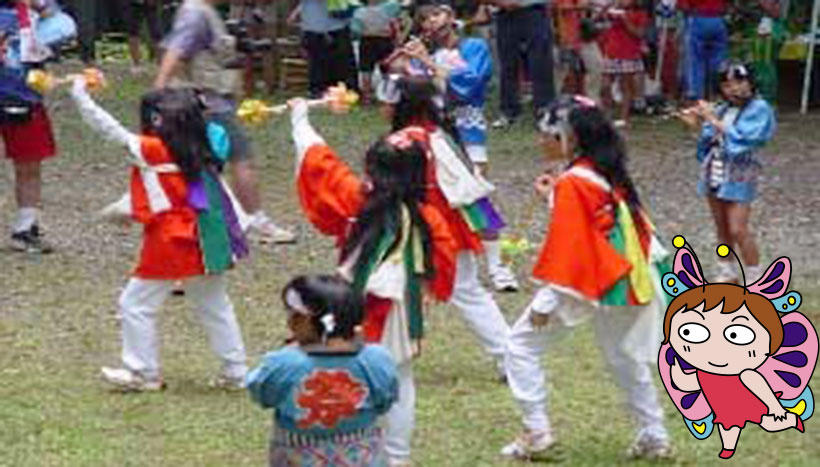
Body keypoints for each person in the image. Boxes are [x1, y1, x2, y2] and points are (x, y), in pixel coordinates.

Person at [288, 96, 458, 466]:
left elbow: (321, 164)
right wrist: (431, 287)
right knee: (399, 379)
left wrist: (300, 120)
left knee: (357, 377)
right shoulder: (427, 216)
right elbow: (444, 259)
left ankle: (363, 451)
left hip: (358, 304)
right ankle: (396, 457)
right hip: (400, 306)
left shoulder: (358, 199)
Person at [501, 95, 671, 460]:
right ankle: (654, 433)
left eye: (547, 132)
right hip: (624, 272)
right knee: (622, 357)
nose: (541, 140)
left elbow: (573, 242)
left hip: (590, 275)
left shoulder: (575, 181)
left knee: (520, 346)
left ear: (569, 137)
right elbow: (592, 222)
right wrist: (554, 197)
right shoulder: (601, 170)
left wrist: (546, 302)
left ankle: (536, 431)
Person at [70, 78, 250, 391]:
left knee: (136, 303)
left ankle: (142, 372)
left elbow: (107, 128)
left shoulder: (154, 149)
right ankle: (236, 371)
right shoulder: (202, 147)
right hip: (209, 235)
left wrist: (80, 95)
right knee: (214, 305)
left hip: (172, 238)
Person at [155, 0, 296, 244]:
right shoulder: (197, 13)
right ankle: (255, 220)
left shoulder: (203, 12)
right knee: (242, 159)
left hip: (209, 100)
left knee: (201, 164)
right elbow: (176, 51)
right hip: (210, 103)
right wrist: (159, 88)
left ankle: (202, 218)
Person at [659, 239, 813, 459]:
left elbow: (757, 384)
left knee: (763, 417)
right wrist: (677, 372)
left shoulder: (747, 373)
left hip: (745, 398)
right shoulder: (704, 372)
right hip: (723, 407)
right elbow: (688, 383)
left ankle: (785, 415)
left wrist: (775, 407)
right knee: (728, 424)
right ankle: (729, 446)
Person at [410, 0, 520, 292]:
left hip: (466, 130)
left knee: (477, 194)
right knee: (426, 195)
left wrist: (430, 65)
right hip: (431, 132)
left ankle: (499, 267)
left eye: (436, 14)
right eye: (425, 19)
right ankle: (431, 261)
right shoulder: (421, 53)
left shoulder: (474, 47)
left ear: (450, 16)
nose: (431, 22)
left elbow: (470, 85)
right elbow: (412, 92)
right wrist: (408, 64)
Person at [246, 274, 399, 466]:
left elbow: (262, 392)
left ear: (305, 320)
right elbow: (385, 399)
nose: (290, 321)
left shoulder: (284, 364)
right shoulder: (376, 360)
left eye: (293, 314)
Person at [677, 61, 775, 283]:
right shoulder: (723, 108)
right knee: (721, 226)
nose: (734, 89)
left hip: (740, 172)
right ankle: (726, 269)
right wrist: (694, 123)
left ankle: (755, 275)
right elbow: (709, 139)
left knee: (738, 228)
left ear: (750, 83)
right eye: (727, 85)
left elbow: (745, 138)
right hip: (715, 168)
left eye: (739, 82)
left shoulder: (760, 108)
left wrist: (712, 119)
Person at [1, 1, 60, 253]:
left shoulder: (34, 6)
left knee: (29, 164)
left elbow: (64, 28)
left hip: (25, 96)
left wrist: (39, 5)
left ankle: (25, 228)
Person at [479, 0, 555, 129]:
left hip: (533, 9)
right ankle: (509, 112)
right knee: (508, 65)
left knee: (540, 65)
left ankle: (545, 113)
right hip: (505, 14)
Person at [599, 0, 649, 127]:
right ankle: (606, 115)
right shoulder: (613, 11)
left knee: (626, 86)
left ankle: (624, 118)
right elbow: (599, 20)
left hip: (629, 53)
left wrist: (625, 20)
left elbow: (639, 34)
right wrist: (606, 9)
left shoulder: (640, 14)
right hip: (611, 51)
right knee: (605, 86)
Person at [298, 0, 358, 98]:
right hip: (314, 27)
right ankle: (318, 92)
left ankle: (346, 91)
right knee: (316, 64)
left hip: (338, 26)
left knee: (342, 63)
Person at [351, 0, 402, 105]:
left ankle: (367, 97)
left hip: (367, 40)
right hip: (385, 39)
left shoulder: (358, 11)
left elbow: (355, 30)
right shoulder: (391, 6)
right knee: (388, 68)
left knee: (366, 69)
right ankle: (390, 94)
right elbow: (396, 20)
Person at [679, 0, 728, 102]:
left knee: (694, 60)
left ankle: (696, 95)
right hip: (718, 19)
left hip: (698, 18)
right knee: (718, 61)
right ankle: (719, 92)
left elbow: (683, 5)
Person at [119, 0, 162, 74]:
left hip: (150, 4)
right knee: (133, 32)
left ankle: (161, 64)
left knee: (156, 33)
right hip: (133, 4)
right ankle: (136, 65)